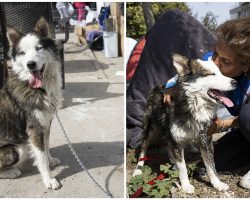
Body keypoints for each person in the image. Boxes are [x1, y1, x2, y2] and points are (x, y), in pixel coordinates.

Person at [164, 17, 250, 189]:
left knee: (247, 116)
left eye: (226, 61)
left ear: (246, 66)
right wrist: (170, 87)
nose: (215, 62)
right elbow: (188, 73)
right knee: (217, 159)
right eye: (216, 52)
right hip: (243, 132)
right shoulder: (211, 62)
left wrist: (222, 124)